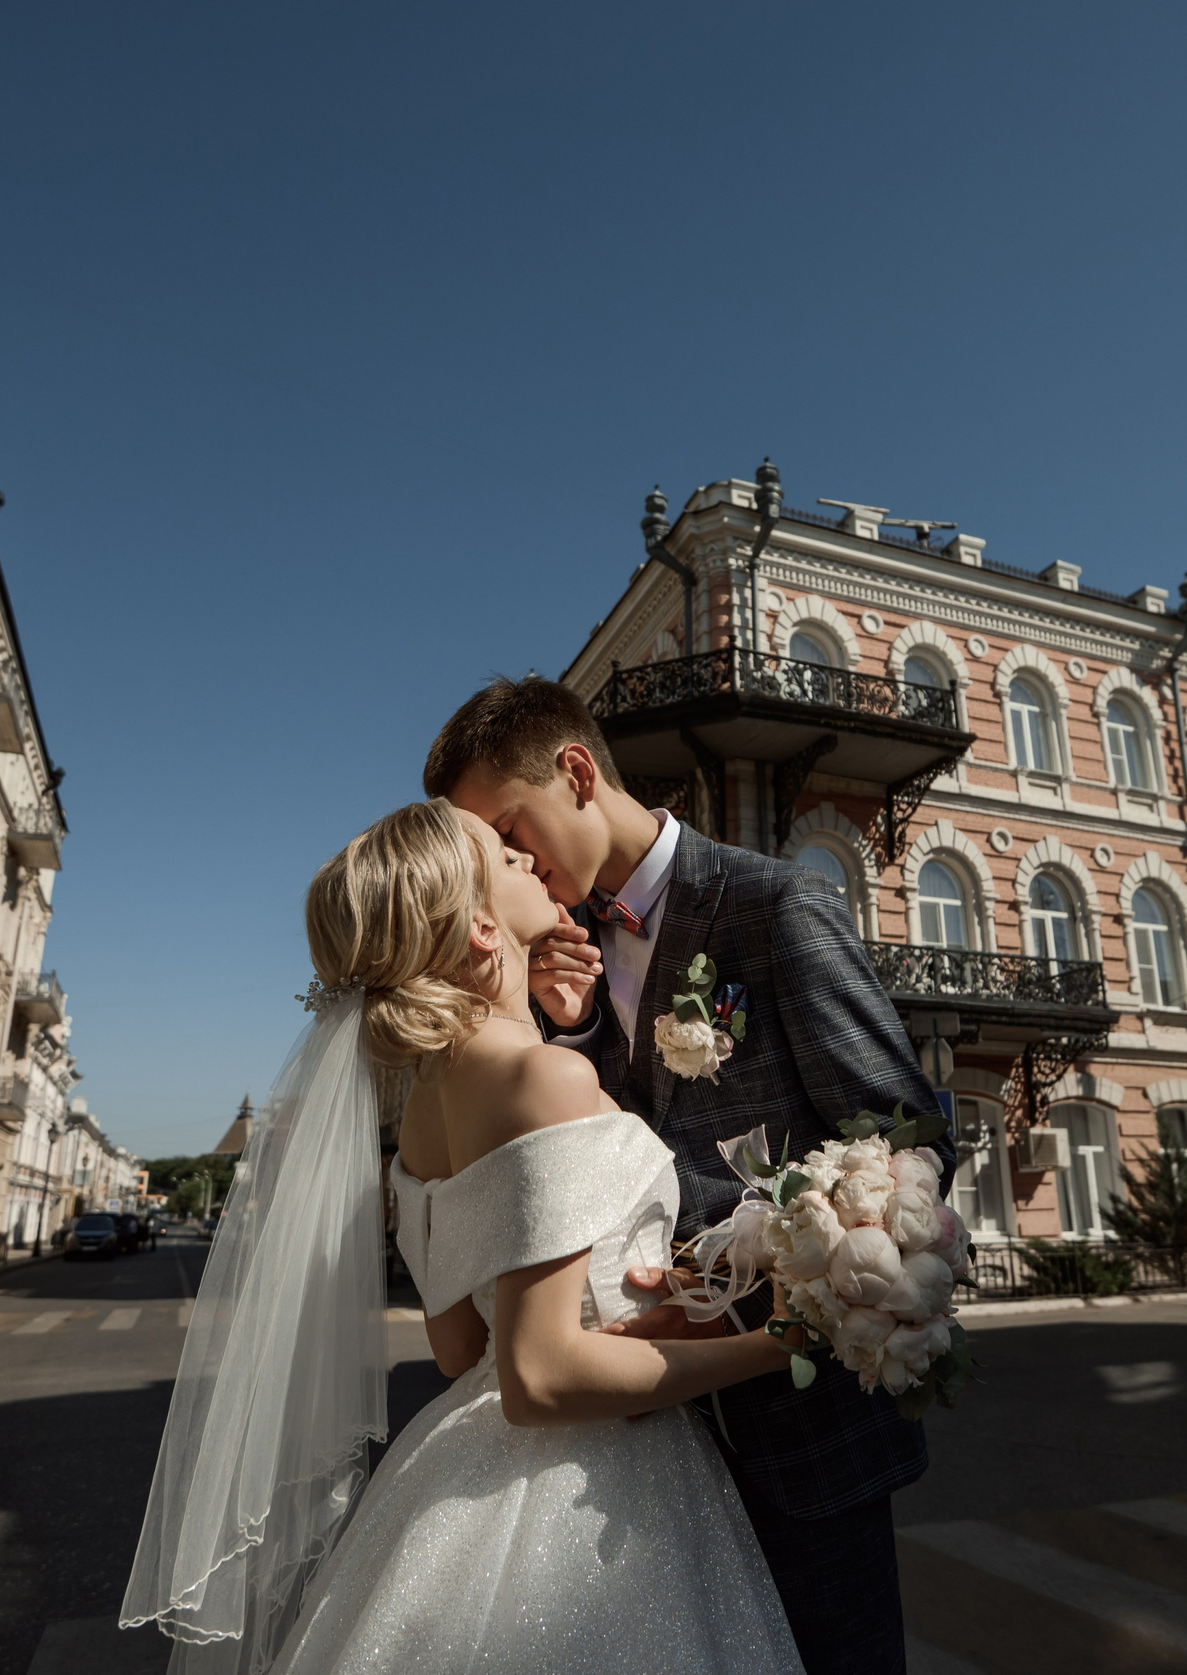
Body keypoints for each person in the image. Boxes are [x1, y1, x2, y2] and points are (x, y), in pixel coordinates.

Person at [124, 798, 805, 1674]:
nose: (529, 860)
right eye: (504, 857)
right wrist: (777, 1341)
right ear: (484, 929)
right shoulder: (547, 1079)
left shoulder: (420, 1122)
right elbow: (538, 1376)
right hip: (597, 1491)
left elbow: (458, 1348)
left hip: (455, 1466)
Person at [426, 676, 950, 1675]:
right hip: (631, 1458)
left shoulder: (774, 902)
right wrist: (565, 1025)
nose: (501, 863)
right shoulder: (548, 969)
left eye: (505, 829)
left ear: (576, 773)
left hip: (797, 1426)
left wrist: (777, 1299)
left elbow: (902, 1128)